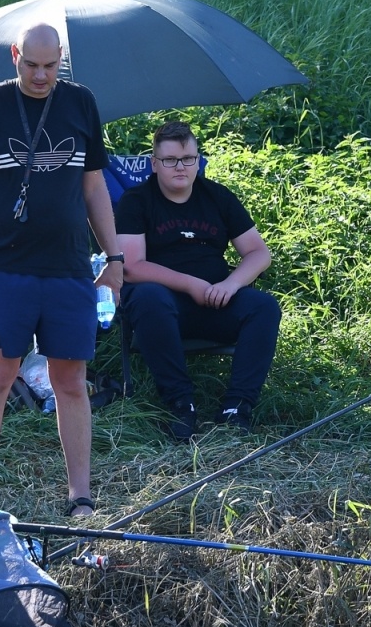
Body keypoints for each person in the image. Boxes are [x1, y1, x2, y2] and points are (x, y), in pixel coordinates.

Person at [0, 23, 122, 519]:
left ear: (61, 58)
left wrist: (114, 259)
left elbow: (94, 189)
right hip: (4, 267)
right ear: (15, 56)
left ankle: (80, 496)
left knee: (70, 379)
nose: (41, 76)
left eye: (50, 66)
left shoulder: (81, 102)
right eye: (31, 65)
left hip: (66, 270)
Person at [114, 120, 282, 438]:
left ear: (197, 159)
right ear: (154, 163)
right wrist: (191, 284)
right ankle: (181, 404)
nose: (181, 167)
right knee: (148, 297)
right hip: (163, 308)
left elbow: (259, 253)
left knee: (263, 307)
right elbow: (132, 266)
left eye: (188, 158)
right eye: (170, 160)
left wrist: (231, 284)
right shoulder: (137, 201)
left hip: (216, 299)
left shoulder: (217, 197)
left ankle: (237, 408)